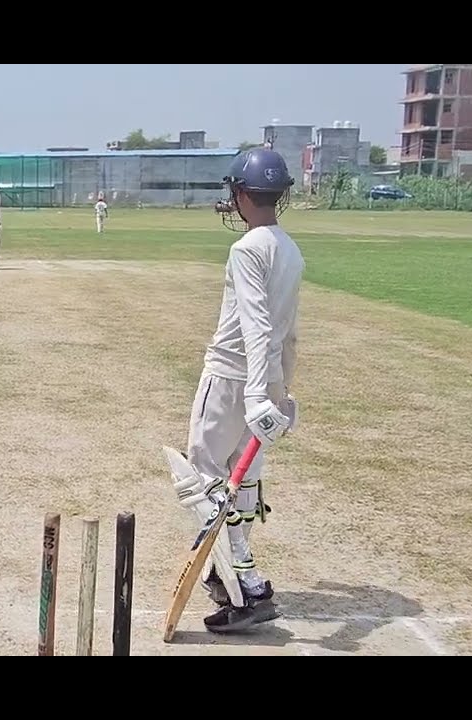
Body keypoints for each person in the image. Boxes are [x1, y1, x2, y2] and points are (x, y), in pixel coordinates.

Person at [173, 147, 303, 634]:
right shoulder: (290, 249)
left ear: (243, 194)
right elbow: (288, 333)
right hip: (265, 381)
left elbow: (257, 323)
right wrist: (280, 391)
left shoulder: (247, 249)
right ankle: (239, 577)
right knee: (242, 485)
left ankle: (238, 584)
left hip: (231, 378)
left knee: (202, 477)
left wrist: (254, 396)